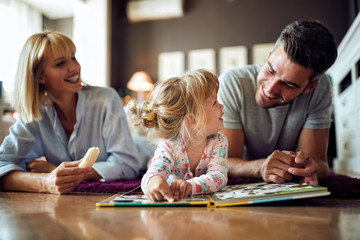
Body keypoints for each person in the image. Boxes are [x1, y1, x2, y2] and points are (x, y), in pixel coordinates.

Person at [0, 31, 148, 194]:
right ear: (40, 76)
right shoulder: (36, 113)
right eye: (60, 63)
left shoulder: (106, 98)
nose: (75, 67)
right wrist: (44, 182)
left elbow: (127, 163)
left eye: (73, 57)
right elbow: (3, 165)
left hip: (144, 152)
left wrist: (58, 170)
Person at [218, 20, 338, 185]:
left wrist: (311, 168)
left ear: (310, 87)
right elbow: (223, 162)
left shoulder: (320, 89)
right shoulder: (232, 83)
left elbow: (319, 161)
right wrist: (260, 167)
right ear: (268, 56)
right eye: (270, 70)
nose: (270, 88)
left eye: (288, 84)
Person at [128, 69, 228, 202]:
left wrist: (191, 186)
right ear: (192, 120)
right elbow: (152, 174)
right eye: (215, 103)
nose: (222, 106)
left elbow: (219, 176)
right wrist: (154, 182)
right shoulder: (169, 146)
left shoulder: (219, 141)